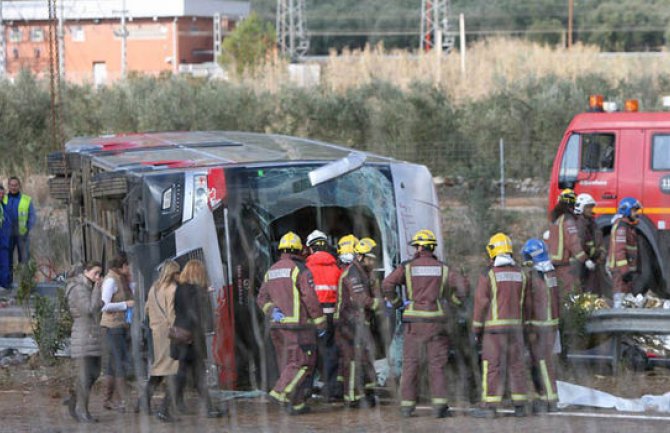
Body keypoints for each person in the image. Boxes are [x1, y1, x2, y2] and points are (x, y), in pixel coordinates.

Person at [382, 229, 469, 418]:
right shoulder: (444, 268)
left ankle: (406, 407)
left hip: (413, 322)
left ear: (421, 247)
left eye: (416, 246)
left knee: (411, 364)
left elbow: (387, 284)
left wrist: (397, 303)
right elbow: (463, 287)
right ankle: (439, 407)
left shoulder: (407, 267)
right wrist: (452, 303)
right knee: (436, 365)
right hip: (436, 322)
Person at [256, 231, 326, 415]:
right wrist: (320, 323)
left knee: (287, 364)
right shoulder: (300, 269)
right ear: (298, 249)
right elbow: (310, 299)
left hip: (277, 326)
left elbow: (261, 298)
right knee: (303, 363)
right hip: (298, 327)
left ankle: (296, 404)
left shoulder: (271, 271)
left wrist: (272, 311)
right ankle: (279, 393)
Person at [471, 233, 529, 418]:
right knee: (517, 365)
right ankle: (520, 404)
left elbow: (481, 303)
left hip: (494, 331)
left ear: (493, 252)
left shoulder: (488, 275)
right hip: (516, 329)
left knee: (492, 366)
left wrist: (476, 329)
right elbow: (525, 304)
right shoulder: (521, 274)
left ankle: (490, 405)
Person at [171, 259, 225, 418]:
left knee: (192, 373)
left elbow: (178, 309)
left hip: (180, 334)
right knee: (190, 374)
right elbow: (198, 315)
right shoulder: (196, 291)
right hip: (190, 337)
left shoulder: (180, 289)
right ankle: (166, 408)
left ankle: (207, 408)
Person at [337, 237, 381, 409]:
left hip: (360, 322)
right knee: (352, 361)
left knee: (364, 358)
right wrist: (378, 305)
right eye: (369, 258)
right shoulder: (353, 274)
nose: (372, 262)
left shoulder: (364, 273)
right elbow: (360, 298)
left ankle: (367, 393)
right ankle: (352, 398)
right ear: (361, 257)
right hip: (350, 323)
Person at [139, 260, 180, 422]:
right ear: (172, 273)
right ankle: (164, 409)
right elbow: (172, 313)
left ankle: (145, 400)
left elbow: (147, 308)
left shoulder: (153, 288)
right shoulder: (172, 289)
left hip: (156, 331)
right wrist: (176, 330)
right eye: (177, 272)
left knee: (160, 368)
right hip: (168, 333)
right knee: (174, 370)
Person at [521, 239, 560, 413]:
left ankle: (549, 400)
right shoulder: (551, 273)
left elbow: (530, 303)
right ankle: (542, 397)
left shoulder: (535, 277)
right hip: (552, 324)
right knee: (543, 363)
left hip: (539, 326)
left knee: (541, 362)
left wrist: (528, 324)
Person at [305, 230, 343, 401]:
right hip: (332, 317)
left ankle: (307, 389)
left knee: (309, 353)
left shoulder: (306, 269)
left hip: (312, 317)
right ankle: (331, 389)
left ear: (310, 249)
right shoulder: (337, 269)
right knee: (330, 352)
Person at [65, 261, 103, 422]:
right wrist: (97, 289)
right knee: (86, 375)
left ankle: (74, 401)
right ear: (86, 272)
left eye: (100, 273)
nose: (98, 277)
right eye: (95, 273)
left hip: (91, 335)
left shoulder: (87, 287)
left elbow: (94, 307)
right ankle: (82, 411)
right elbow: (88, 309)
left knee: (93, 373)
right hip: (83, 336)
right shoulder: (78, 288)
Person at [100, 253, 134, 412]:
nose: (130, 268)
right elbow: (104, 305)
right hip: (113, 326)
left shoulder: (121, 279)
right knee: (120, 362)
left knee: (113, 364)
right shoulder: (111, 280)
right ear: (123, 266)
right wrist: (125, 304)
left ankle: (108, 400)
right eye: (128, 265)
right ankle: (123, 400)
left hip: (120, 325)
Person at [547, 188, 594, 298]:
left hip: (553, 264)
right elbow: (573, 242)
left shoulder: (556, 219)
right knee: (569, 293)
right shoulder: (568, 220)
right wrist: (585, 260)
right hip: (564, 265)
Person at [606, 197, 642, 303]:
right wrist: (625, 271)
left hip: (623, 270)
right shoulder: (622, 227)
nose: (636, 213)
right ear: (626, 210)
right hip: (620, 271)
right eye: (634, 210)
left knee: (626, 299)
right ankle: (618, 317)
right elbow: (619, 251)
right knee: (620, 297)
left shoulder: (627, 226)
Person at [3, 176, 36, 284]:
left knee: (24, 261)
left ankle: (26, 285)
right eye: (11, 185)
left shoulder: (26, 200)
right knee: (6, 261)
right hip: (7, 236)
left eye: (15, 185)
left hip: (22, 236)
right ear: (8, 186)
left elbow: (32, 216)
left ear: (19, 186)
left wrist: (27, 228)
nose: (13, 187)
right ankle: (7, 284)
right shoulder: (3, 198)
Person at [574, 193, 605, 294]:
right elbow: (577, 246)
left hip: (592, 263)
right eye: (588, 207)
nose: (591, 210)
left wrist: (601, 255)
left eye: (591, 207)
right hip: (581, 265)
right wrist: (586, 260)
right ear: (581, 208)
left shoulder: (592, 223)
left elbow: (599, 241)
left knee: (594, 291)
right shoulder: (579, 224)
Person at [0, 185, 10, 289]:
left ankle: (4, 285)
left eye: (3, 193)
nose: (1, 195)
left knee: (5, 265)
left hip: (4, 242)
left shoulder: (4, 207)